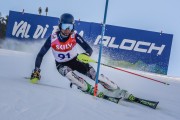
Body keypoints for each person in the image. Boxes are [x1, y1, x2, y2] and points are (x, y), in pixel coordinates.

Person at [30, 13, 132, 100]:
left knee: (95, 76)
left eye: (70, 27)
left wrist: (86, 55)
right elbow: (40, 54)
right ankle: (86, 88)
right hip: (61, 64)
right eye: (65, 26)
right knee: (68, 74)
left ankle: (116, 89)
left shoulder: (75, 36)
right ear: (60, 26)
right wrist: (36, 70)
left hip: (76, 60)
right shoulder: (52, 38)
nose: (67, 30)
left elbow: (89, 49)